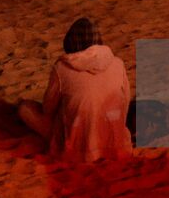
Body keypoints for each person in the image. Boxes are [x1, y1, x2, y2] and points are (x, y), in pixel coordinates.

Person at [17, 18, 132, 162]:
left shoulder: (61, 68)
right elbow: (125, 102)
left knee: (25, 109)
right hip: (115, 142)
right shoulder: (118, 64)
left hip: (76, 145)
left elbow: (48, 109)